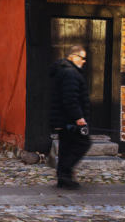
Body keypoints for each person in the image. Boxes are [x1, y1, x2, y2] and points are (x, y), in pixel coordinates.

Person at [49, 44, 92, 188]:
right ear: (74, 56)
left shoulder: (64, 71)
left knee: (66, 147)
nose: (84, 61)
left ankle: (63, 178)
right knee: (83, 144)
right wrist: (79, 118)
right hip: (69, 120)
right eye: (82, 58)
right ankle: (64, 173)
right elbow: (70, 99)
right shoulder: (71, 73)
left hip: (63, 119)